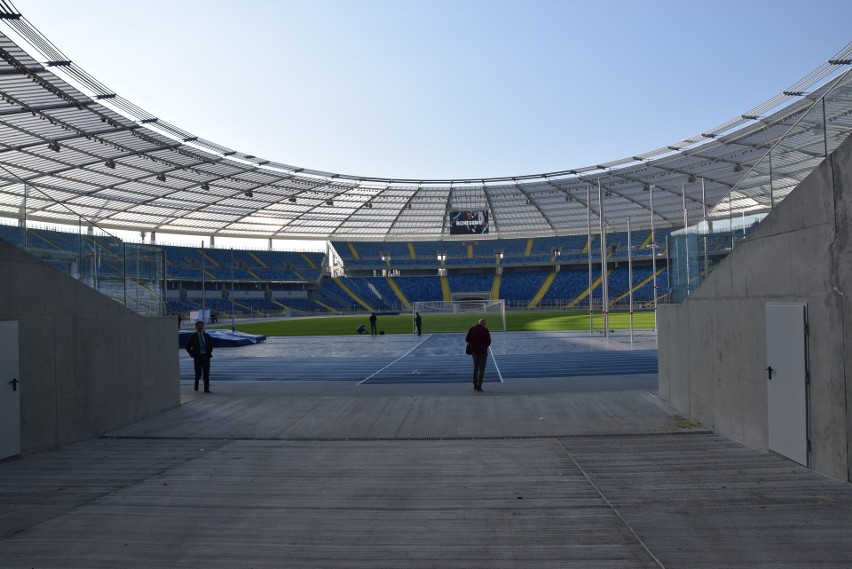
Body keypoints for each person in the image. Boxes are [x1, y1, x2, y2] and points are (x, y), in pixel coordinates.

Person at [185, 320, 213, 393]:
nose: (200, 327)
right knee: (198, 373)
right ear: (196, 327)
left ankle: (206, 389)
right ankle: (196, 383)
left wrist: (209, 351)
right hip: (197, 357)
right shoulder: (193, 336)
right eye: (199, 326)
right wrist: (192, 354)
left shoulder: (207, 335)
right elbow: (187, 346)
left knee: (206, 373)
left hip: (206, 356)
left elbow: (210, 344)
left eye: (202, 326)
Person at [465, 318, 491, 392]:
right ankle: (479, 387)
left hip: (474, 352)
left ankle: (474, 386)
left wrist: (473, 343)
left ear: (478, 323)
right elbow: (488, 342)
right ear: (484, 324)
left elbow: (467, 339)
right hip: (483, 352)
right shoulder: (485, 330)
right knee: (481, 370)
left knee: (475, 369)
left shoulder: (472, 329)